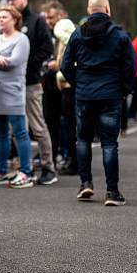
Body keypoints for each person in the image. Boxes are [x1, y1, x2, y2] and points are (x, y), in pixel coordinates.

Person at [61, 0, 135, 206]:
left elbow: (66, 66)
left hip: (84, 96)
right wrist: (124, 89)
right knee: (109, 144)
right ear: (108, 10)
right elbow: (129, 66)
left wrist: (79, 84)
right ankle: (112, 192)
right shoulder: (119, 35)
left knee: (82, 139)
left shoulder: (77, 34)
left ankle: (85, 183)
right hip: (110, 95)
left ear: (88, 9)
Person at [3, 0, 57, 185]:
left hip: (31, 81)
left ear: (24, 0)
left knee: (38, 126)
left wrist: (30, 64)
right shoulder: (12, 23)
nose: (10, 3)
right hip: (12, 84)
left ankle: (48, 166)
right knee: (17, 128)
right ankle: (24, 167)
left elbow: (47, 48)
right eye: (8, 0)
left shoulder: (37, 21)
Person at [0, 6, 33, 189]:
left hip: (13, 93)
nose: (0, 20)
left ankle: (26, 172)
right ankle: (1, 171)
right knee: (0, 133)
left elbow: (13, 62)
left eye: (4, 17)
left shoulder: (22, 39)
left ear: (14, 20)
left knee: (20, 133)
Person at [41, 0, 69, 171]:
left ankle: (66, 155)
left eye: (51, 17)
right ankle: (53, 155)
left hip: (64, 83)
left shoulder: (67, 33)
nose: (49, 21)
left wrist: (57, 64)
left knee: (65, 122)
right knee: (50, 121)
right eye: (47, 18)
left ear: (61, 15)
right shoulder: (47, 33)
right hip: (49, 84)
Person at [52, 18, 78, 175]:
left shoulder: (70, 45)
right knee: (70, 128)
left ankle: (74, 162)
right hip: (68, 91)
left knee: (71, 128)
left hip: (71, 90)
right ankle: (72, 159)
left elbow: (71, 69)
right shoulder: (66, 45)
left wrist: (58, 77)